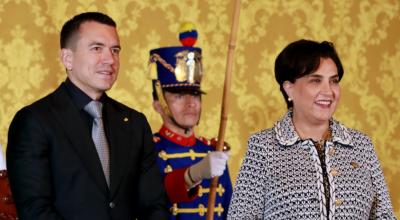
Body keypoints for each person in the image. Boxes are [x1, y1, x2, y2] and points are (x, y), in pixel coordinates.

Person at [6, 12, 168, 219]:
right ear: (68, 58)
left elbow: (154, 205)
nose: (110, 59)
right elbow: (35, 210)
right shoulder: (34, 121)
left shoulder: (134, 123)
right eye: (97, 48)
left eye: (115, 50)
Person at [227, 39, 396, 219]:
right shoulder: (263, 148)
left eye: (334, 81)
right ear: (289, 89)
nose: (328, 91)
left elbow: (384, 215)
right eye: (315, 81)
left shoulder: (361, 146)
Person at [149, 23, 232, 219]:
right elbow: (150, 201)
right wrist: (191, 175)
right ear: (158, 104)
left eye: (195, 95)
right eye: (179, 96)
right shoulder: (147, 150)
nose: (190, 103)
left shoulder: (213, 149)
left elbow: (230, 210)